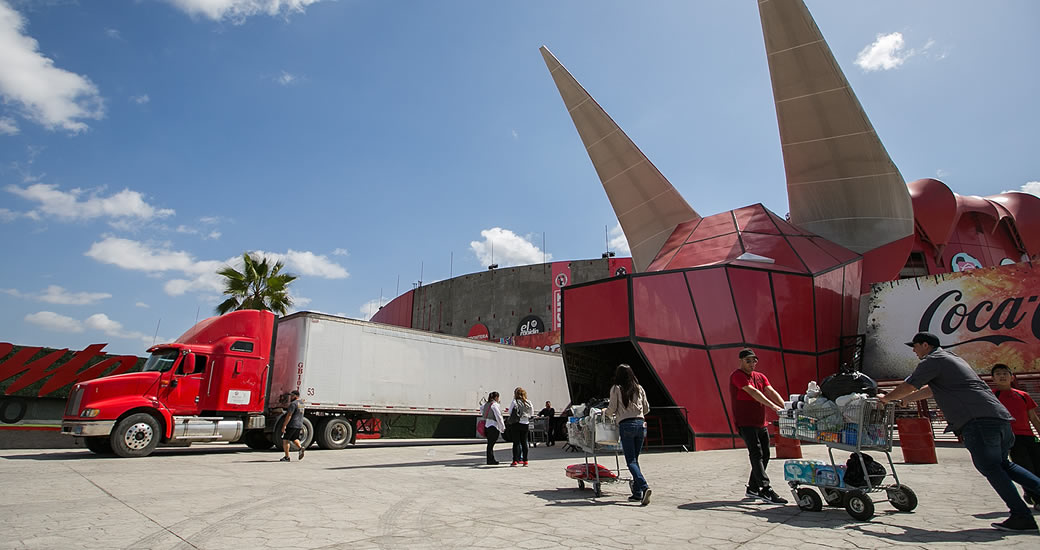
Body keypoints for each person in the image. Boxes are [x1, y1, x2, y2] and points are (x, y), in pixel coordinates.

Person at [881, 332, 1040, 532]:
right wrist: (907, 399)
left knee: (991, 467)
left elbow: (910, 385)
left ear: (925, 345)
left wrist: (885, 399)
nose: (913, 350)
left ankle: (1021, 516)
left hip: (978, 421)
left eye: (915, 346)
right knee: (1004, 465)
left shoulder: (933, 360)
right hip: (998, 418)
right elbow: (932, 389)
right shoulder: (953, 359)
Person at [730, 348, 788, 504]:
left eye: (754, 360)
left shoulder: (760, 376)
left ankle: (753, 488)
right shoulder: (737, 376)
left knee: (766, 455)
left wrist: (786, 406)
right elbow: (753, 392)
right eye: (748, 361)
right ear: (741, 361)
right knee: (756, 453)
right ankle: (765, 489)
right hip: (746, 423)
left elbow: (770, 390)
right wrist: (773, 407)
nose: (751, 364)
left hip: (760, 422)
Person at [991, 363, 1040, 510]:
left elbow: (1033, 417)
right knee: (1025, 467)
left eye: (1005, 373)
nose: (1002, 376)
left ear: (1011, 377)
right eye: (998, 374)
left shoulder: (1023, 395)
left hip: (1029, 436)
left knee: (1037, 465)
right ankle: (1036, 498)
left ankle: (1030, 493)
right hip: (1010, 438)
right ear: (993, 378)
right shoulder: (992, 396)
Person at [605, 363, 652, 505]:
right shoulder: (639, 388)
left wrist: (605, 413)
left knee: (630, 461)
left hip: (626, 425)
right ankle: (637, 493)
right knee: (635, 460)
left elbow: (612, 408)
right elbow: (646, 408)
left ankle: (644, 487)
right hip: (641, 425)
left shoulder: (616, 389)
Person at [510, 387, 533, 466]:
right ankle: (525, 460)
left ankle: (515, 460)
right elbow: (531, 413)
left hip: (516, 423)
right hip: (525, 423)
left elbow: (510, 412)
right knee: (524, 442)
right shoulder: (528, 402)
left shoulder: (514, 401)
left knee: (516, 443)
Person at [279, 390, 305, 462]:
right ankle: (300, 448)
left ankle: (287, 457)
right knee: (294, 438)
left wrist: (284, 425)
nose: (291, 397)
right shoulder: (302, 403)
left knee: (285, 440)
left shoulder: (293, 404)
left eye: (292, 395)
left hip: (292, 424)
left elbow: (289, 415)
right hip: (299, 424)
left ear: (296, 396)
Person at [482, 391, 504, 465]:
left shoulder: (486, 404)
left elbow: (481, 409)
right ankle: (490, 460)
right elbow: (499, 416)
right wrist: (502, 427)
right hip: (493, 426)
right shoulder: (495, 405)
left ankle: (490, 459)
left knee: (490, 444)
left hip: (487, 425)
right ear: (496, 397)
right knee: (491, 444)